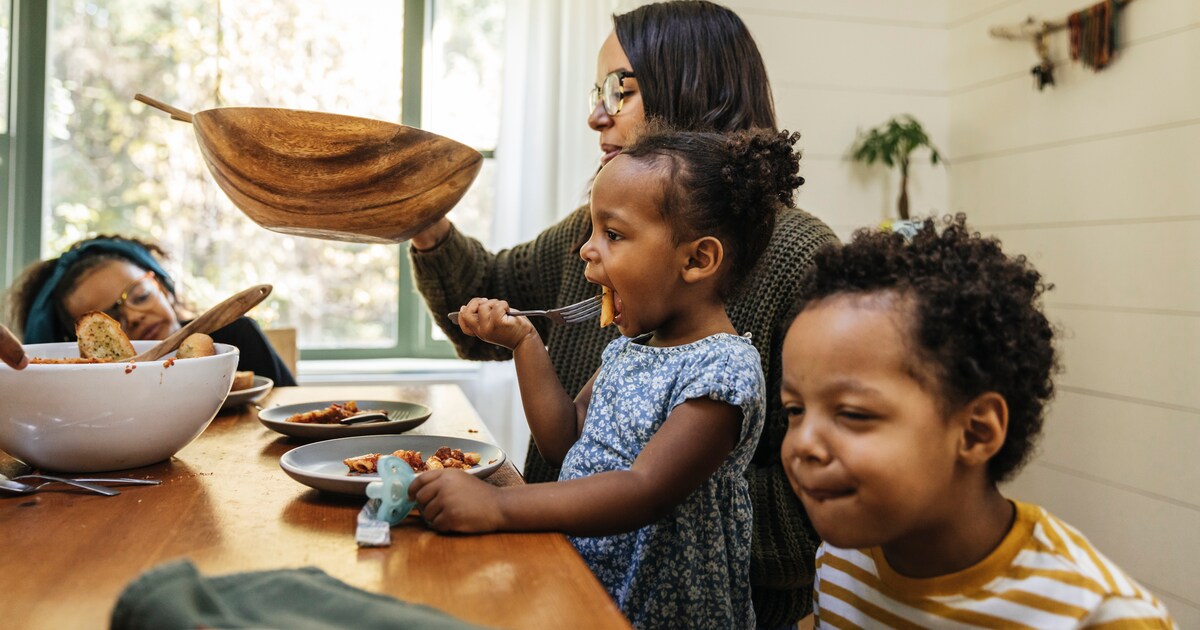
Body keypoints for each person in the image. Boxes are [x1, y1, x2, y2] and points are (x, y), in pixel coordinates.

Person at [407, 2, 837, 624]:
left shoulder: (802, 259)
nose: (595, 113)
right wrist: (423, 219)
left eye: (620, 89)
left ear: (693, 92)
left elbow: (814, 501)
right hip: (566, 578)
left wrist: (652, 509)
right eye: (595, 90)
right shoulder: (607, 232)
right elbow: (491, 297)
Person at [779, 216, 1176, 628]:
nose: (803, 444)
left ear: (975, 431)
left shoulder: (1098, 617)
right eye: (794, 410)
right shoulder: (842, 560)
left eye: (853, 414)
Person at [4, 235, 296, 386]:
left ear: (164, 289)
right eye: (109, 322)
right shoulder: (88, 388)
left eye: (140, 296)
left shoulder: (234, 337)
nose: (132, 316)